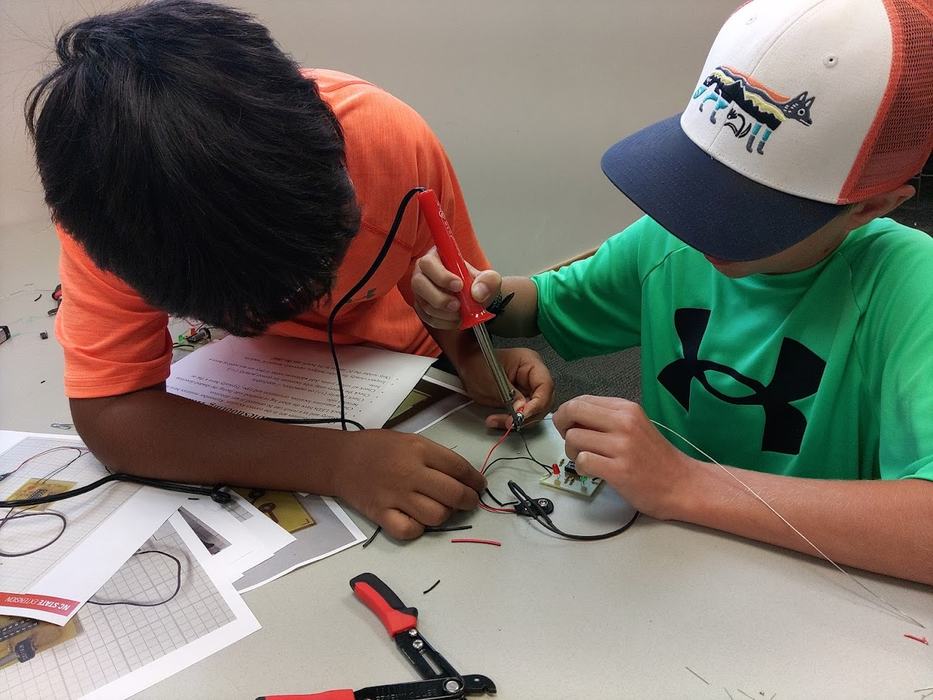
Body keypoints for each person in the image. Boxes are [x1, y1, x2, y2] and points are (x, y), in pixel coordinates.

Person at [412, 0, 933, 584]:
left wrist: (685, 483)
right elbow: (545, 303)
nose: (701, 224)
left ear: (875, 205)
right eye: (700, 184)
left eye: (751, 212)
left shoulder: (914, 289)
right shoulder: (669, 241)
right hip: (664, 557)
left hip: (815, 578)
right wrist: (484, 295)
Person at [25, 0, 554, 539]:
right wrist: (335, 463)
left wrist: (469, 354)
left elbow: (455, 297)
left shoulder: (388, 142)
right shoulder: (111, 219)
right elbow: (110, 414)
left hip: (406, 374)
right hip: (270, 394)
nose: (307, 296)